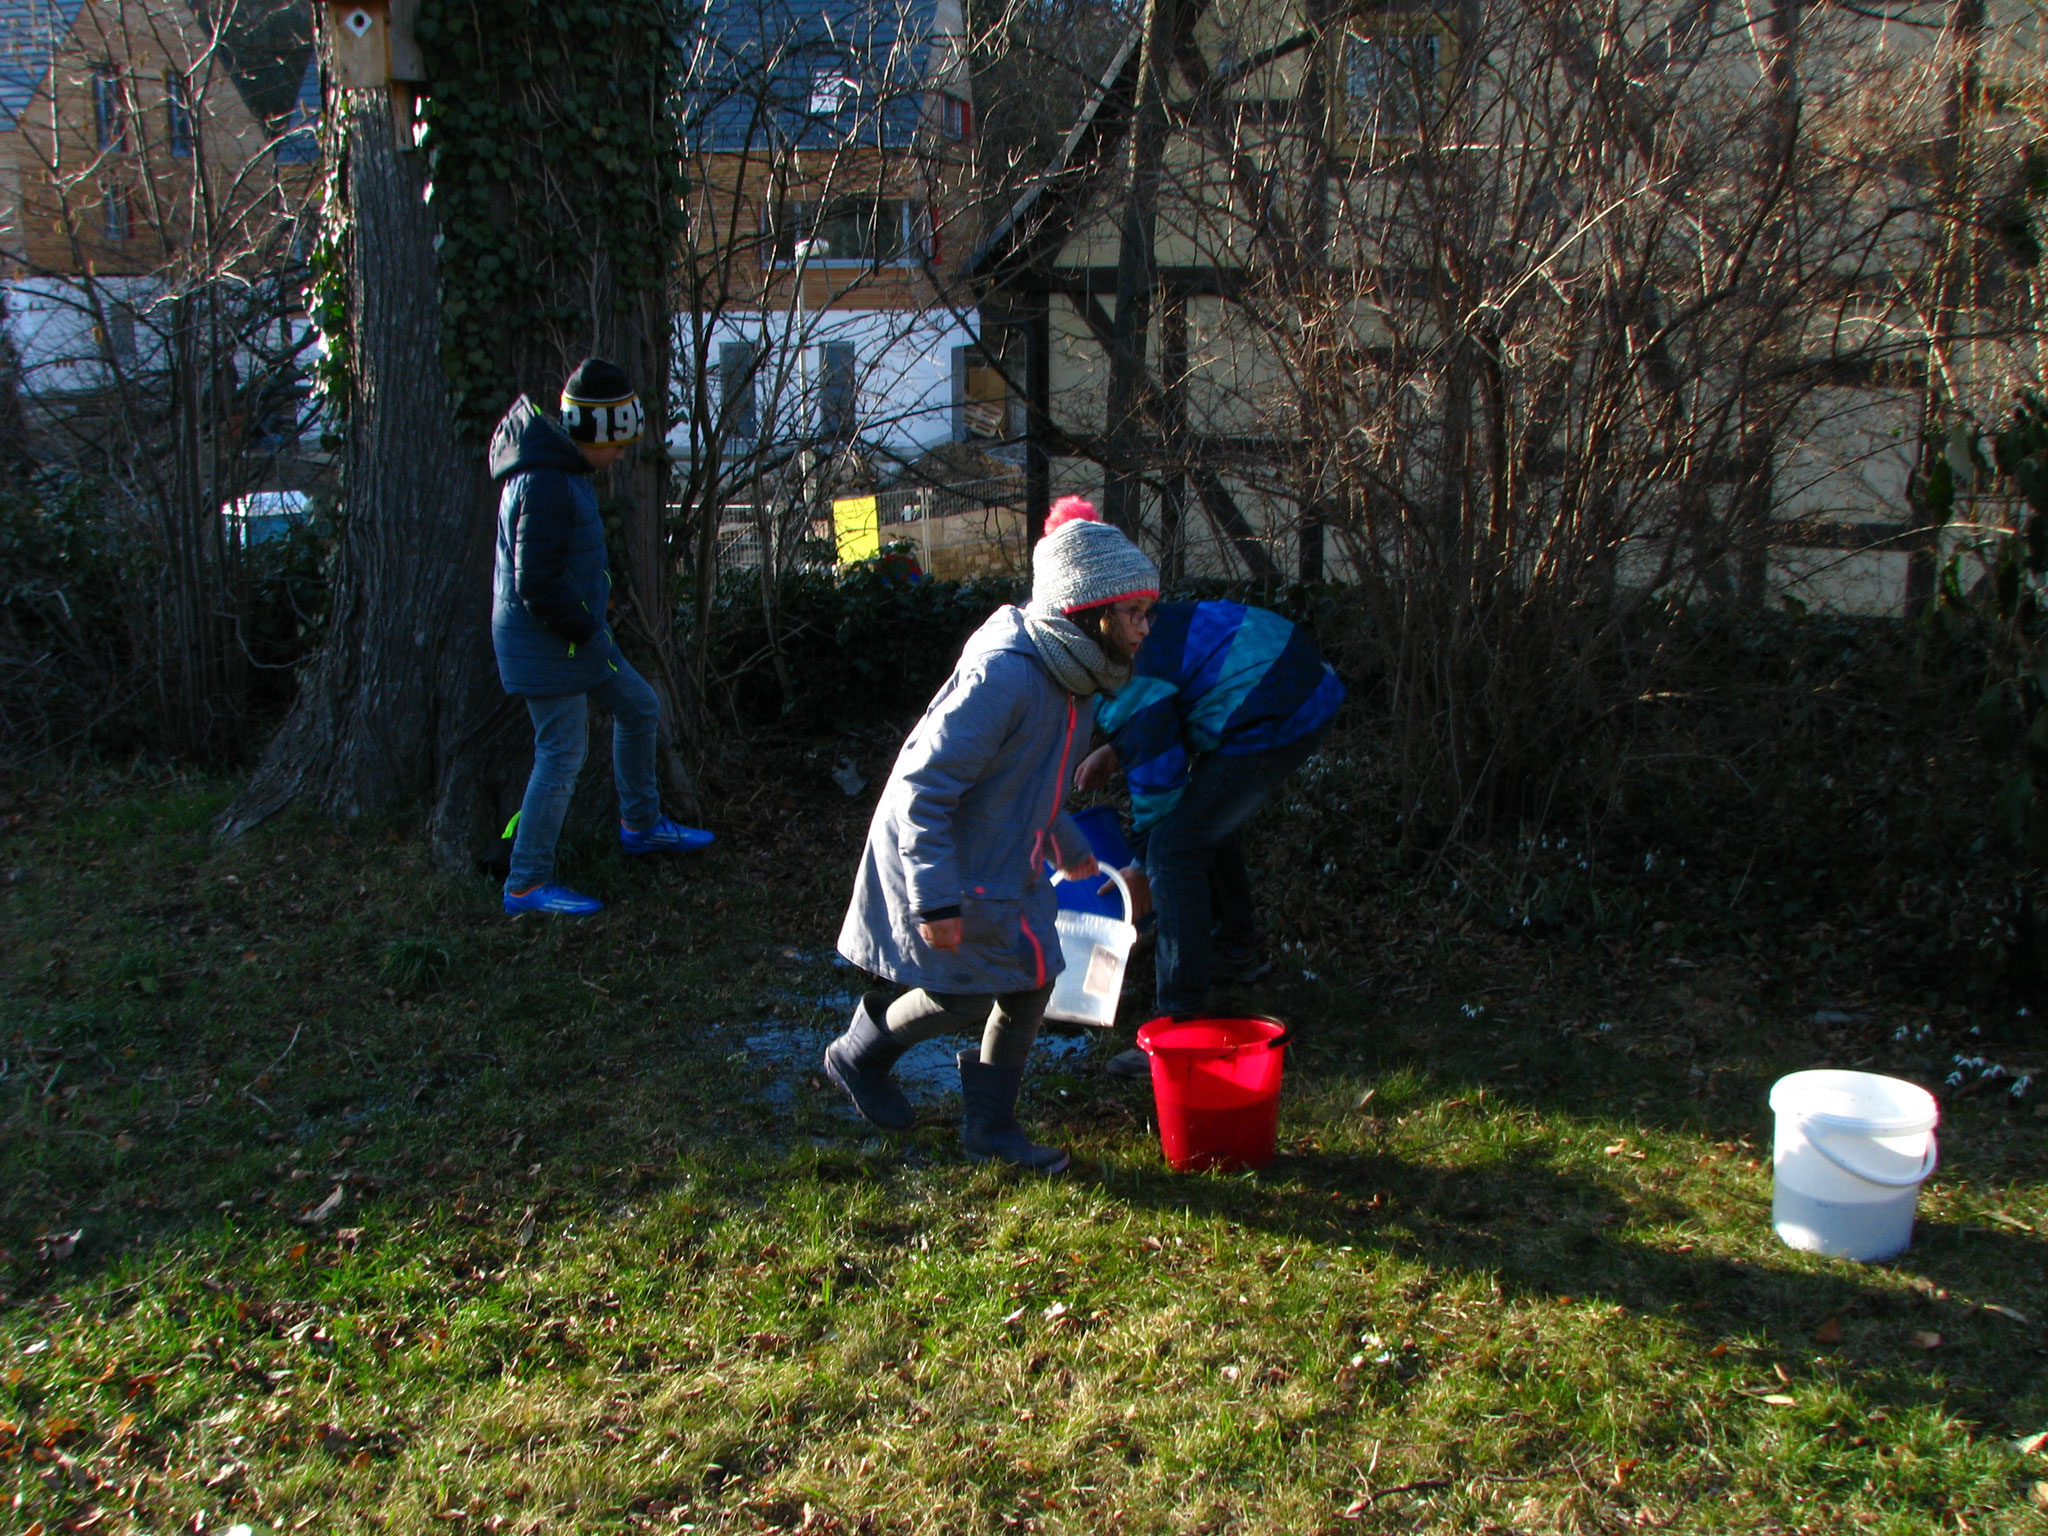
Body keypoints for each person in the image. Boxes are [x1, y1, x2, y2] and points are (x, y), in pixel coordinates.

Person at [825, 496, 1159, 1170]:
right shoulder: (1006, 676)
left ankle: (992, 1131)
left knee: (1032, 981)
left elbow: (1031, 785)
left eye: (1147, 612)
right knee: (967, 992)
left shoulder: (1075, 681)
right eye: (1133, 613)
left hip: (1007, 861)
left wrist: (1070, 848)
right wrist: (936, 900)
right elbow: (923, 790)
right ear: (1088, 611)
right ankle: (858, 1055)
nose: (1145, 628)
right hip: (944, 860)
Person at [1075, 600, 1343, 1073]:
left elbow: (1159, 788)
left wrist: (1142, 869)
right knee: (1203, 822)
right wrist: (1118, 749)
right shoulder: (1136, 633)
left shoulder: (1124, 666)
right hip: (1293, 680)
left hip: (1278, 705)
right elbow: (1163, 712)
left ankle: (1178, 1024)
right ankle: (1237, 950)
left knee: (1174, 848)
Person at [491, 357, 712, 916]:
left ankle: (639, 826)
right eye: (617, 443)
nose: (620, 456)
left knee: (640, 707)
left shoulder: (564, 472)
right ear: (594, 431)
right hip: (551, 647)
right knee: (562, 755)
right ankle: (525, 883)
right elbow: (534, 583)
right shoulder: (544, 480)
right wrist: (587, 624)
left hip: (576, 641)